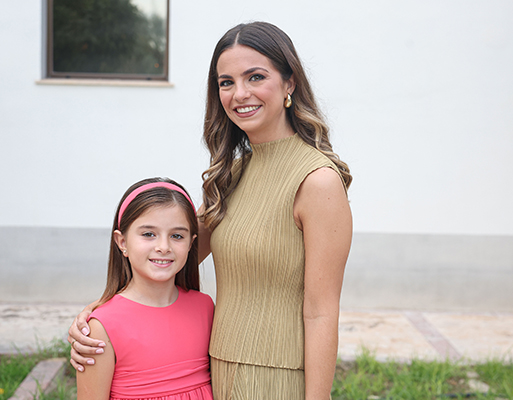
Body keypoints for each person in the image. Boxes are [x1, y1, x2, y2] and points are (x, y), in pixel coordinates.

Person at [70, 21, 352, 400]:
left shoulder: (317, 181)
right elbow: (169, 255)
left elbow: (320, 312)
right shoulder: (232, 175)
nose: (240, 94)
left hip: (278, 378)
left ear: (290, 84)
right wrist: (96, 316)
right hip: (215, 371)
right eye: (226, 82)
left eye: (255, 77)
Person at [75, 177, 214, 400]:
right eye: (148, 234)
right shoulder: (101, 327)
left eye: (177, 236)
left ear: (191, 243)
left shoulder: (205, 307)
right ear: (122, 242)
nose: (163, 247)